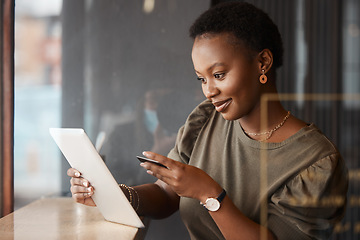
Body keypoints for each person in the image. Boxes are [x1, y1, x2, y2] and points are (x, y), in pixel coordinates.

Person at [67, 2, 348, 240]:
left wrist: (210, 194)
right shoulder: (206, 120)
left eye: (219, 74)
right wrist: (116, 196)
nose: (209, 90)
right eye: (201, 78)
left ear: (262, 62)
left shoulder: (315, 163)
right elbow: (168, 194)